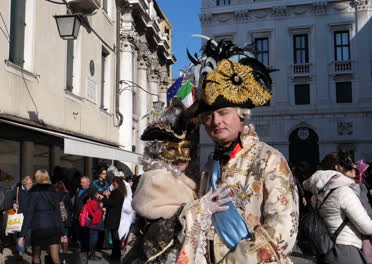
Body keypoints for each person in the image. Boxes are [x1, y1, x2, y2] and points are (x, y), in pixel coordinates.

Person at [178, 38, 299, 263]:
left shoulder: (269, 160)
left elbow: (281, 234)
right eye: (208, 117)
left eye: (223, 112)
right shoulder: (209, 168)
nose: (216, 122)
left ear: (241, 113)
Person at [123, 100, 205, 264]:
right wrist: (201, 210)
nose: (181, 156)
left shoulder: (185, 179)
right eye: (172, 149)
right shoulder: (157, 179)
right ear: (159, 150)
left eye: (185, 148)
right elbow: (159, 233)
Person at [303, 152, 372, 264]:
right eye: (350, 164)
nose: (355, 167)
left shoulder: (318, 194)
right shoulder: (343, 191)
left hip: (326, 250)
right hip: (346, 252)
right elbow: (367, 227)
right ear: (338, 167)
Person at [20, 169, 67, 264]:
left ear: (37, 178)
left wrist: (22, 235)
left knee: (36, 256)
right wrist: (63, 233)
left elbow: (29, 214)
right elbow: (58, 213)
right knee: (55, 256)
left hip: (38, 228)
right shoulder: (54, 190)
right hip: (53, 227)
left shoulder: (33, 192)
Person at [97, 176, 126, 262]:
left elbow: (112, 203)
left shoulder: (117, 192)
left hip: (113, 217)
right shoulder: (120, 192)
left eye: (114, 183)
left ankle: (116, 257)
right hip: (115, 216)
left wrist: (104, 197)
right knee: (114, 237)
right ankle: (115, 255)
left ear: (118, 183)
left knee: (115, 238)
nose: (113, 184)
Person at [71, 176, 97, 254]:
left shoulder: (91, 190)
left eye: (83, 182)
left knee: (85, 234)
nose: (81, 184)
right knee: (78, 233)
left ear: (88, 183)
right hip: (76, 215)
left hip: (85, 216)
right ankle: (80, 248)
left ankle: (85, 250)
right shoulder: (79, 190)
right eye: (81, 182)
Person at [12, 175, 33, 257]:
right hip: (20, 215)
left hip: (30, 215)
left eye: (31, 184)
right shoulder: (18, 190)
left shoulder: (33, 190)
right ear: (24, 184)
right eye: (29, 184)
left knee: (30, 233)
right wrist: (13, 203)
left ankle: (30, 246)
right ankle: (20, 251)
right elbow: (11, 198)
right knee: (20, 233)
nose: (30, 186)